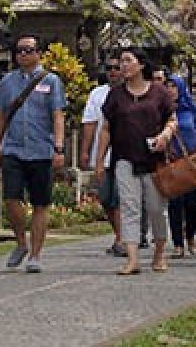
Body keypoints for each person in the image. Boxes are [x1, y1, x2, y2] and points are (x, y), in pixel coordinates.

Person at [94, 46, 177, 275]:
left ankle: (159, 252)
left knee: (155, 208)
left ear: (141, 64)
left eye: (128, 61)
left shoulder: (159, 92)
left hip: (153, 160)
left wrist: (165, 136)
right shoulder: (116, 95)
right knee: (129, 208)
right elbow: (106, 129)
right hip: (124, 158)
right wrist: (99, 161)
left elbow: (172, 119)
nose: (123, 66)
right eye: (121, 62)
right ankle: (132, 259)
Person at [0, 34, 66, 273]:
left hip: (41, 149)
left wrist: (59, 148)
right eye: (19, 50)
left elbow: (58, 115)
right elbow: (0, 116)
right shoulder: (7, 82)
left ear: (38, 53)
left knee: (41, 203)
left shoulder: (51, 81)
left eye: (28, 50)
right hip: (13, 148)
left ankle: (35, 254)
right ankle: (21, 242)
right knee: (12, 198)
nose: (23, 54)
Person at [80, 55, 126, 257]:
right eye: (109, 68)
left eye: (117, 68)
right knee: (106, 197)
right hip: (103, 155)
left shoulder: (132, 92)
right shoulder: (97, 94)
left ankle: (123, 238)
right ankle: (120, 234)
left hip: (127, 154)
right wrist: (85, 151)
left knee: (120, 198)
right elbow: (90, 123)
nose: (113, 72)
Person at [162, 72, 196, 259]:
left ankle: (190, 235)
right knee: (175, 203)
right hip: (172, 161)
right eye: (167, 86)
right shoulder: (162, 110)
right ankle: (177, 243)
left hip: (191, 161)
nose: (170, 90)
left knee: (192, 204)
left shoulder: (191, 109)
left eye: (174, 86)